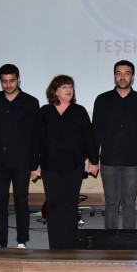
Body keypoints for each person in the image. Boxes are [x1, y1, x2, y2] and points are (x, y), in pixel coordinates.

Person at [31, 75, 99, 249]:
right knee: (53, 206)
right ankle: (55, 247)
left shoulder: (79, 111)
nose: (69, 90)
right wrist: (34, 165)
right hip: (50, 167)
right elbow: (35, 140)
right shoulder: (44, 112)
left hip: (73, 166)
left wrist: (94, 161)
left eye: (70, 86)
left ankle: (69, 246)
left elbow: (89, 138)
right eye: (64, 87)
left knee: (69, 206)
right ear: (55, 91)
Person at [0, 64, 40, 249]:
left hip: (22, 161)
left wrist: (35, 163)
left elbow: (35, 136)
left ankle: (22, 240)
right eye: (4, 81)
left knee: (21, 200)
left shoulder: (31, 102)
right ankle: (0, 241)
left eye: (12, 80)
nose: (8, 85)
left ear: (18, 79)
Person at [92, 60, 137, 230]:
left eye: (127, 73)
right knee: (111, 203)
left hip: (133, 162)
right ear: (114, 76)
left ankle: (129, 241)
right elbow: (95, 131)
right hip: (108, 161)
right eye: (118, 73)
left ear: (132, 77)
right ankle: (110, 240)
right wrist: (93, 160)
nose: (122, 77)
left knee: (129, 203)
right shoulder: (102, 100)